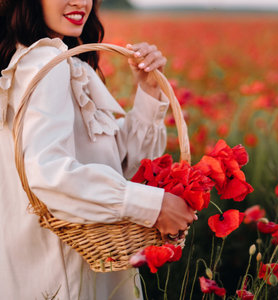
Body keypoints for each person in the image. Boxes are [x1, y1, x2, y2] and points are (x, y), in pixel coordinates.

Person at [0, 0, 197, 299]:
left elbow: (122, 168)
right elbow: (48, 173)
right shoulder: (43, 64)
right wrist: (152, 205)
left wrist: (148, 90)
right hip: (65, 276)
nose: (80, 1)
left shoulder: (67, 64)